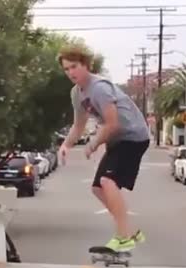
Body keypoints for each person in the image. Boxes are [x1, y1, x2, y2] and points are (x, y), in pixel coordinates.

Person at [57, 46, 150, 252]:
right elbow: (79, 125)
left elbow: (112, 123)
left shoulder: (99, 88)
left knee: (108, 181)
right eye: (66, 69)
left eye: (74, 67)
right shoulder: (77, 94)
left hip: (133, 136)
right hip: (118, 139)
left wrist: (93, 144)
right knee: (98, 188)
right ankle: (131, 232)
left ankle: (124, 237)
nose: (71, 73)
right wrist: (66, 144)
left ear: (86, 65)